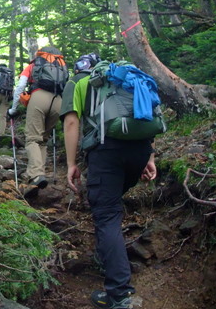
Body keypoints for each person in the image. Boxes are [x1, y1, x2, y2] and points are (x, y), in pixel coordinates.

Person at [61, 53, 157, 309]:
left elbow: (72, 121)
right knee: (111, 207)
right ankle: (110, 254)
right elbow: (146, 113)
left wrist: (72, 164)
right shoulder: (125, 76)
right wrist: (150, 157)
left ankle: (119, 294)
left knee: (106, 214)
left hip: (106, 152)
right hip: (138, 150)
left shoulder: (79, 82)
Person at [8, 46, 68, 192]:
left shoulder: (34, 65)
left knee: (33, 138)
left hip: (39, 97)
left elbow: (20, 86)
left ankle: (37, 174)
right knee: (43, 139)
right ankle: (34, 173)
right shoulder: (62, 67)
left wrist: (13, 109)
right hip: (58, 101)